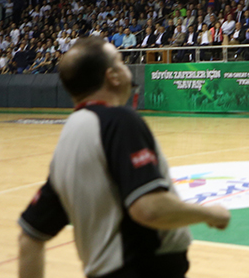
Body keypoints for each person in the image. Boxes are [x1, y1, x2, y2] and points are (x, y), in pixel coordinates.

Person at [17, 38, 230, 278]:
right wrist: (211, 214)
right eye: (121, 61)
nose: (126, 66)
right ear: (113, 76)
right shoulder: (119, 120)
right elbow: (148, 209)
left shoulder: (68, 139)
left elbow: (29, 238)